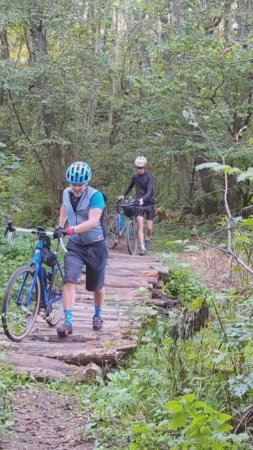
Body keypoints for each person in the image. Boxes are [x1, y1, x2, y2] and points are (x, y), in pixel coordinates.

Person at [53, 161, 107, 337]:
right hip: (75, 245)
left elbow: (93, 221)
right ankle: (67, 321)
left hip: (96, 244)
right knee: (69, 280)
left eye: (80, 184)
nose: (76, 187)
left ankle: (98, 314)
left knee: (96, 285)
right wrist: (60, 226)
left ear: (87, 182)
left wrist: (71, 229)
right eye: (73, 184)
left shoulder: (96, 196)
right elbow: (64, 207)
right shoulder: (66, 193)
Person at [118, 156, 155, 255]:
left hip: (149, 203)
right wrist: (123, 194)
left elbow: (150, 190)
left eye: (141, 167)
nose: (140, 169)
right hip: (139, 204)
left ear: (145, 167)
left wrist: (144, 199)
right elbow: (129, 187)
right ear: (136, 167)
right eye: (138, 168)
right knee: (140, 225)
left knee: (150, 228)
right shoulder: (134, 177)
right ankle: (142, 247)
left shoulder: (149, 177)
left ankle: (148, 238)